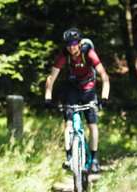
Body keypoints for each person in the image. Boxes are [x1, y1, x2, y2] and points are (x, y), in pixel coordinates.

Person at [44, 28, 110, 173]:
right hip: (72, 88)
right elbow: (51, 78)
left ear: (79, 43)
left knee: (92, 124)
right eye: (68, 44)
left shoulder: (88, 53)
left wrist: (104, 97)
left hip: (88, 88)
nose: (71, 47)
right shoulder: (64, 55)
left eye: (74, 43)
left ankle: (94, 158)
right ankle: (69, 157)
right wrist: (48, 97)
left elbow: (104, 76)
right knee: (68, 123)